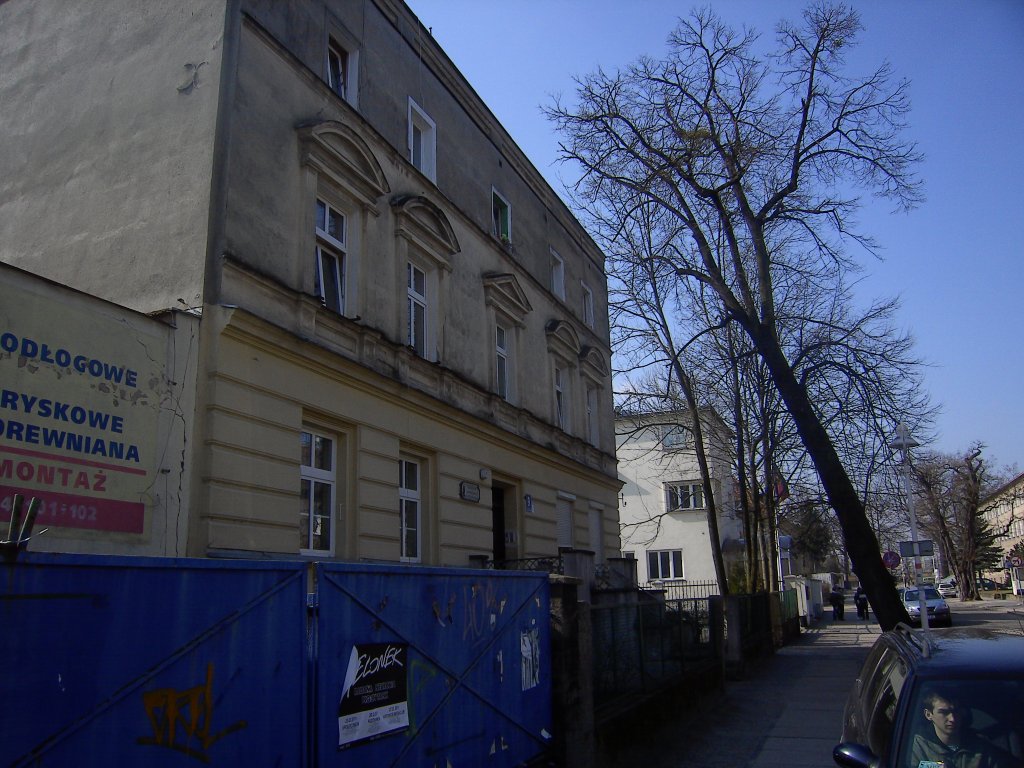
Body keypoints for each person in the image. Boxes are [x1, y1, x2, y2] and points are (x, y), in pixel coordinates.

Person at [908, 688, 1017, 768]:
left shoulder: (981, 747)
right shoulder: (915, 748)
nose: (952, 718)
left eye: (956, 711)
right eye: (944, 712)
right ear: (928, 715)